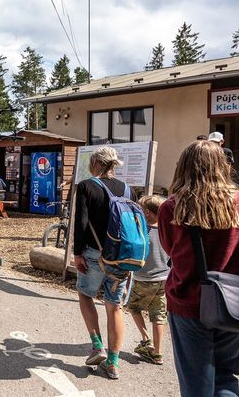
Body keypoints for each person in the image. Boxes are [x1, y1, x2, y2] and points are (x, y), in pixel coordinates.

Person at [158, 140, 239, 397]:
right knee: (226, 376)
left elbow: (170, 250)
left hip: (189, 301)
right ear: (223, 167)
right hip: (238, 301)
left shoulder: (173, 207)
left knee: (196, 381)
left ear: (183, 167)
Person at [73, 146, 135, 379]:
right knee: (114, 306)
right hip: (122, 258)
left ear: (97, 163)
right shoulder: (128, 189)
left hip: (93, 253)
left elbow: (81, 222)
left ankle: (97, 345)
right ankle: (113, 363)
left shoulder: (87, 186)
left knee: (85, 294)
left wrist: (77, 253)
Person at [127, 195, 169, 366]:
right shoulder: (167, 231)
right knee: (159, 314)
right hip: (165, 278)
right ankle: (157, 353)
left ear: (147, 213)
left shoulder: (142, 231)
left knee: (133, 307)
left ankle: (146, 339)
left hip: (143, 278)